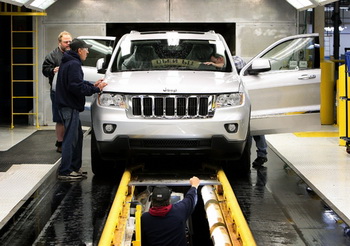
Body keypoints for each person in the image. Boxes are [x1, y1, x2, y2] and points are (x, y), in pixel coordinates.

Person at [55, 38, 107, 180]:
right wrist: (95, 89)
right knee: (70, 139)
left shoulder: (70, 62)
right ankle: (65, 171)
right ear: (79, 50)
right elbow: (75, 86)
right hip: (69, 106)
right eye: (86, 49)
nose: (88, 51)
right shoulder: (73, 64)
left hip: (69, 106)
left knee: (77, 138)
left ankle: (73, 168)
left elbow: (78, 82)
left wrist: (93, 85)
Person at [141, 176, 201, 246]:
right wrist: (194, 185)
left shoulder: (145, 218)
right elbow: (191, 199)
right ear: (169, 200)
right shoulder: (179, 211)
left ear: (152, 200)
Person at [233, 55, 268, 168]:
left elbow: (237, 65)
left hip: (249, 97)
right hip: (239, 99)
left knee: (254, 127)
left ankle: (260, 154)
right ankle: (253, 154)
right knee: (250, 128)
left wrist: (216, 65)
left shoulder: (235, 59)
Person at [42, 31, 72, 153]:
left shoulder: (73, 53)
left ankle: (69, 142)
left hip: (70, 90)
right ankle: (60, 143)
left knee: (71, 118)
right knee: (60, 118)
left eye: (70, 41)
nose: (68, 43)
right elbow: (44, 70)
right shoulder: (52, 56)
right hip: (57, 91)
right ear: (59, 42)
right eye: (66, 42)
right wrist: (53, 70)